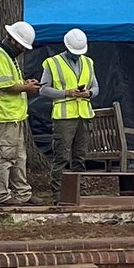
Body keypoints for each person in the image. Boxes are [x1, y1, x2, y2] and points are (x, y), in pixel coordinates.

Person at [0, 21, 41, 206]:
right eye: (23, 46)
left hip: (13, 115)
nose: (23, 50)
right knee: (4, 156)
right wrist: (26, 87)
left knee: (19, 156)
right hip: (3, 115)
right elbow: (4, 85)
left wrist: (25, 83)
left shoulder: (8, 56)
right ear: (14, 41)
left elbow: (11, 81)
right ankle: (0, 195)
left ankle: (23, 193)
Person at [40, 28, 99, 199]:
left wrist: (88, 93)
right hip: (64, 117)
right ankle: (58, 193)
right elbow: (43, 90)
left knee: (79, 157)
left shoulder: (88, 62)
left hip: (84, 115)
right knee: (62, 156)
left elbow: (95, 87)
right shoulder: (52, 62)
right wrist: (66, 93)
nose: (77, 55)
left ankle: (79, 191)